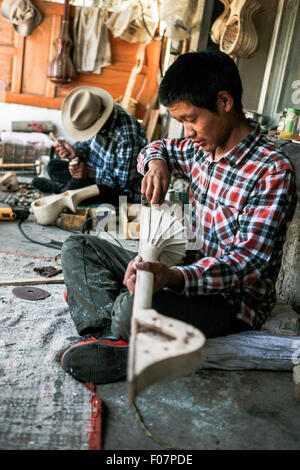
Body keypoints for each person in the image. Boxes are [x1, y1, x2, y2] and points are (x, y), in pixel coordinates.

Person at [59, 50, 296, 385]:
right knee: (78, 248)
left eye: (190, 118)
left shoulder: (271, 171)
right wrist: (156, 163)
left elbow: (249, 263)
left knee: (129, 308)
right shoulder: (200, 148)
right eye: (181, 121)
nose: (187, 131)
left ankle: (118, 329)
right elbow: (157, 147)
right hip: (183, 265)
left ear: (225, 101)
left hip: (230, 301)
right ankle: (106, 336)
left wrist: (171, 277)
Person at [32, 86, 147, 205]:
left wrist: (89, 172)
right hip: (92, 172)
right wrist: (75, 152)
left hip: (121, 192)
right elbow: (87, 145)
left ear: (99, 120)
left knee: (80, 194)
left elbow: (124, 183)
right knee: (53, 166)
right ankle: (68, 190)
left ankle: (60, 190)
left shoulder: (126, 135)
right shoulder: (95, 113)